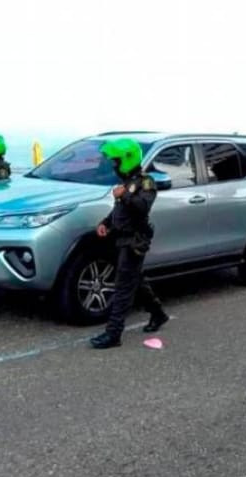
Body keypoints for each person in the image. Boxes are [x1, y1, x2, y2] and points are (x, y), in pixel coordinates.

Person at [89, 138, 170, 349]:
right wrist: (105, 223)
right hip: (122, 238)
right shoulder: (126, 183)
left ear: (127, 159)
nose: (113, 165)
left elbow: (142, 207)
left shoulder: (146, 182)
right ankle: (158, 314)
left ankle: (113, 334)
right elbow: (120, 212)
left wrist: (124, 195)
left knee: (123, 287)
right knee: (136, 280)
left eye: (116, 161)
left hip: (135, 240)